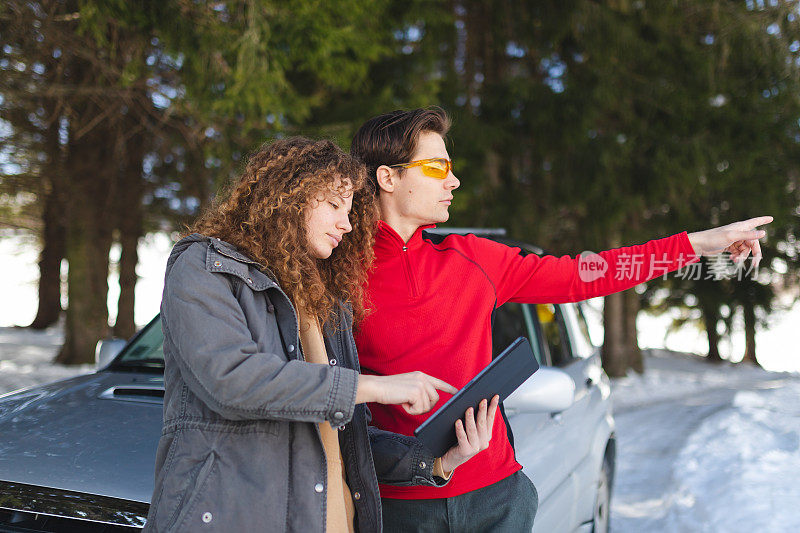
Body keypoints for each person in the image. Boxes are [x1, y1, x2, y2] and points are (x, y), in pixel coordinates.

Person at [349, 107, 772, 532]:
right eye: (437, 166)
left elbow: (585, 274)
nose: (453, 180)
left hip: (495, 499)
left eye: (450, 166)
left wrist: (700, 243)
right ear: (389, 178)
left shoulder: (472, 259)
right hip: (397, 507)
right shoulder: (338, 280)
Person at [143, 137, 459, 532]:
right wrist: (376, 387)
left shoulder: (325, 301)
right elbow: (234, 380)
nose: (346, 224)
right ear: (290, 196)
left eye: (348, 211)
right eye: (333, 205)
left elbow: (339, 437)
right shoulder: (205, 267)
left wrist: (434, 462)